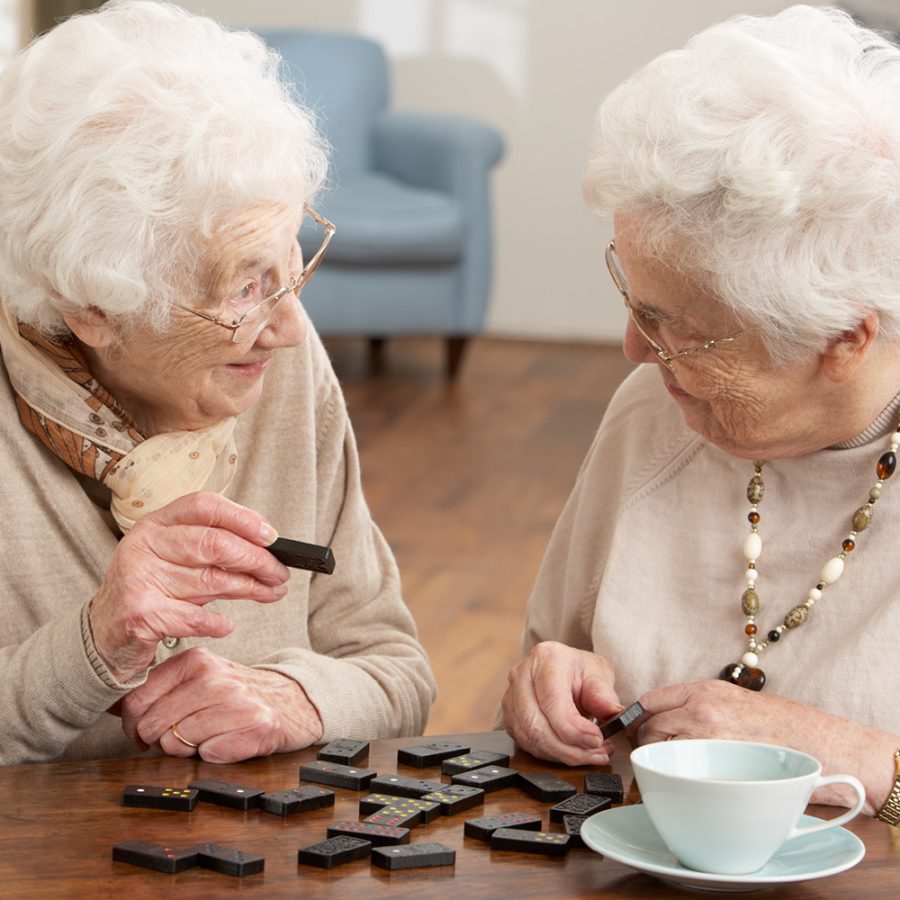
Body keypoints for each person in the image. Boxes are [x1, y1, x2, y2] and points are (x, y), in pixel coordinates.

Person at [0, 0, 435, 766]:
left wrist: (296, 698)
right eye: (242, 286)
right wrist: (95, 642)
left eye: (289, 260)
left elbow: (396, 672)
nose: (291, 325)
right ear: (94, 308)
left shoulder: (281, 368)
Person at [500, 5, 900, 822]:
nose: (634, 351)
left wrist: (864, 760)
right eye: (636, 301)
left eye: (678, 329)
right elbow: (553, 645)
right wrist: (546, 682)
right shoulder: (656, 411)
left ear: (844, 339)